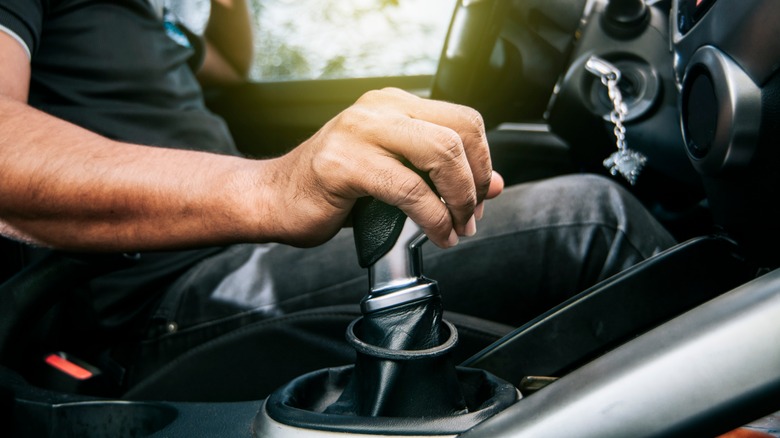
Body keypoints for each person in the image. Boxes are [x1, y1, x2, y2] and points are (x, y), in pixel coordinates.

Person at [0, 0, 675, 395]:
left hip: (230, 254)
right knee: (593, 221)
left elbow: (231, 63)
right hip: (158, 299)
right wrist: (268, 187)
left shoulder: (147, 17)